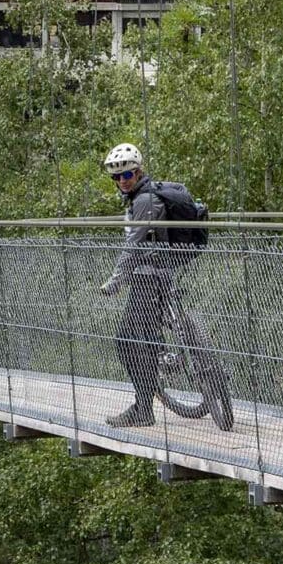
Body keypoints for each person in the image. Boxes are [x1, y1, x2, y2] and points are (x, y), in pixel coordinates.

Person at [97, 143, 193, 429]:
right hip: (158, 273)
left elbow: (133, 246)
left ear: (139, 172)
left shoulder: (144, 201)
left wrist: (116, 281)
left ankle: (142, 409)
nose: (122, 181)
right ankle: (160, 357)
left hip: (149, 277)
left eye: (127, 175)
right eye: (116, 177)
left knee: (126, 341)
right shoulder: (147, 195)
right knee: (143, 336)